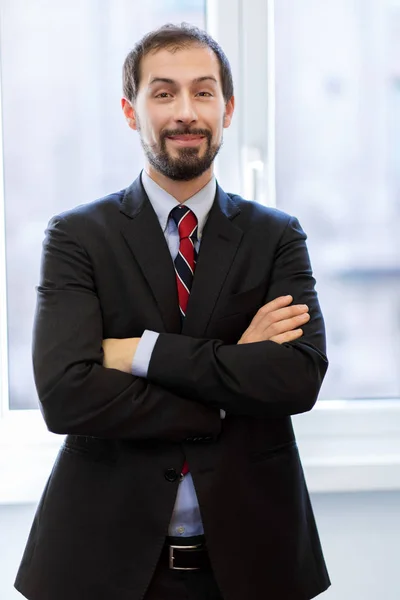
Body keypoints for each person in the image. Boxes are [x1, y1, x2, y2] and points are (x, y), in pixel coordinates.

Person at [15, 23, 330, 600]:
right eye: (163, 93)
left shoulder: (277, 237)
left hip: (257, 559)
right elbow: (66, 396)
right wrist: (235, 373)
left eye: (203, 92)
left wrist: (141, 352)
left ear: (228, 109)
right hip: (100, 561)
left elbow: (297, 379)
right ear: (131, 111)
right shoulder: (77, 237)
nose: (186, 111)